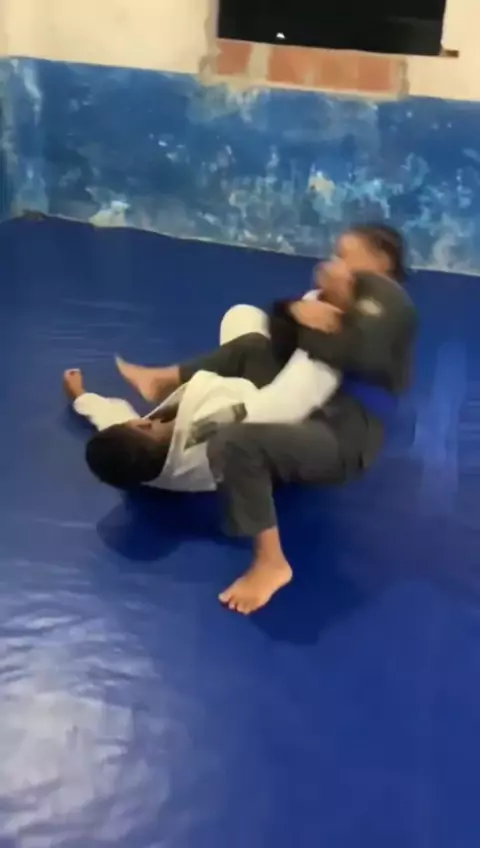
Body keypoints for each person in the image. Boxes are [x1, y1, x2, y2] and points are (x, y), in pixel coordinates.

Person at [67, 223, 417, 614]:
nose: (333, 264)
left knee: (252, 340)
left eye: (344, 256)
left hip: (341, 418)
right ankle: (272, 563)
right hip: (336, 434)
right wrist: (300, 312)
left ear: (381, 263)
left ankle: (165, 378)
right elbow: (293, 366)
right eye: (338, 255)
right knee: (237, 437)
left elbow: (347, 352)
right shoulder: (201, 432)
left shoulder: (390, 306)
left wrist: (82, 397)